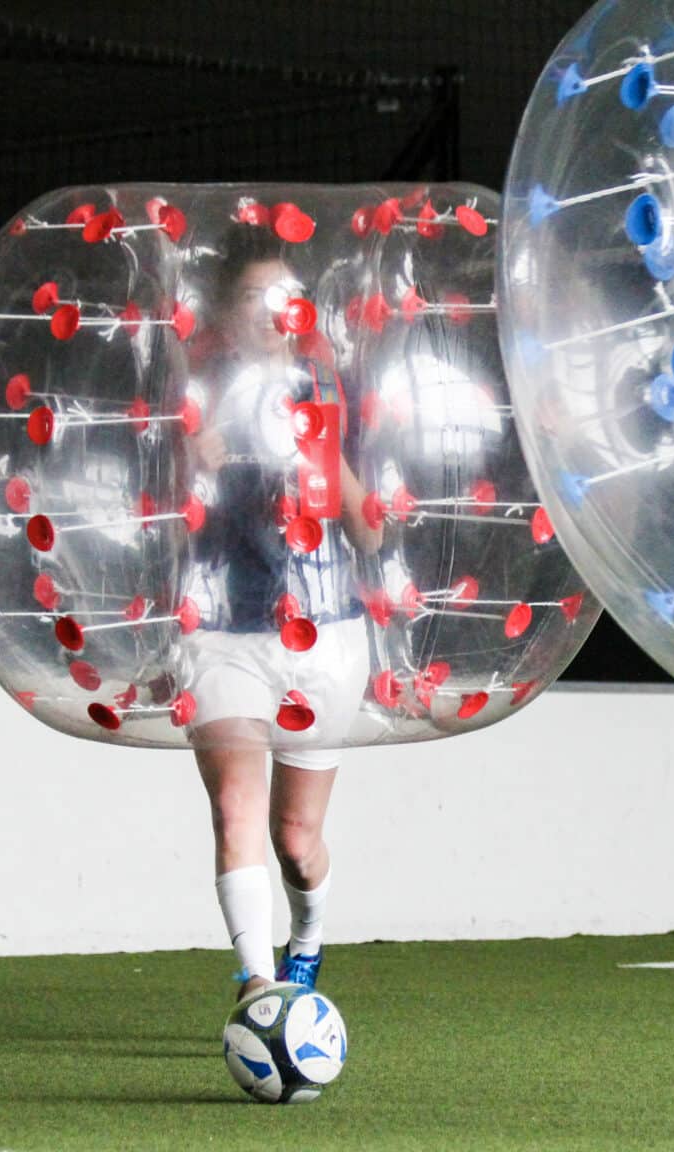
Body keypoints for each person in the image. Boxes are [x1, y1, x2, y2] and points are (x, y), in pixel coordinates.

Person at [183, 246, 383, 1003]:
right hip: (226, 635)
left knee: (296, 843)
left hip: (326, 636)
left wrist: (326, 472)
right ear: (230, 319)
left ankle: (306, 941)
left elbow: (370, 535)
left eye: (283, 299)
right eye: (253, 299)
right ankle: (258, 983)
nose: (270, 314)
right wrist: (192, 468)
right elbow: (161, 543)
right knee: (236, 806)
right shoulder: (193, 404)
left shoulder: (319, 401)